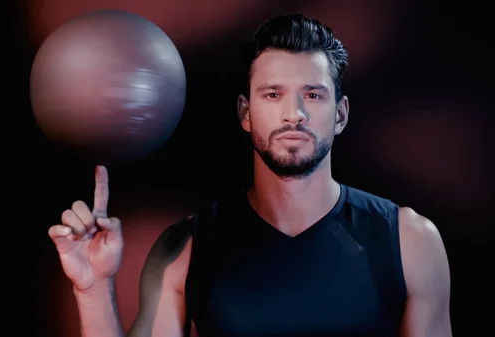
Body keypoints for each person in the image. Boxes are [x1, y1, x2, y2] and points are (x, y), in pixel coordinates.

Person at [48, 13, 452, 337]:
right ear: (245, 113)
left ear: (341, 114)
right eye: (273, 94)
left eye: (312, 94)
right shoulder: (186, 248)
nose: (294, 113)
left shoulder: (408, 241)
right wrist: (94, 288)